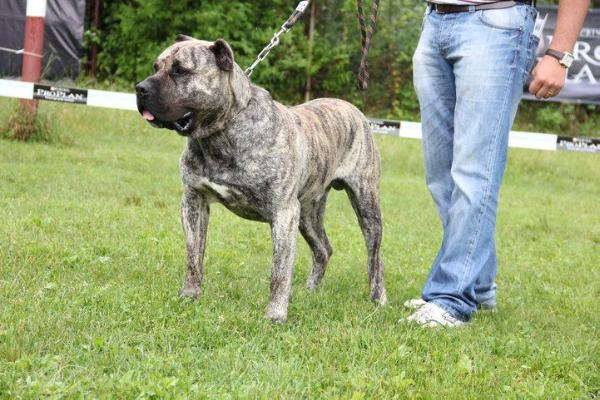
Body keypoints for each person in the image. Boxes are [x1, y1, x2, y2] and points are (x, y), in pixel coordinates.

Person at [404, 0, 590, 327]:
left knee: (474, 173)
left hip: (496, 22)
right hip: (434, 20)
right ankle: (477, 284)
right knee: (441, 177)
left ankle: (452, 298)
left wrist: (560, 53)